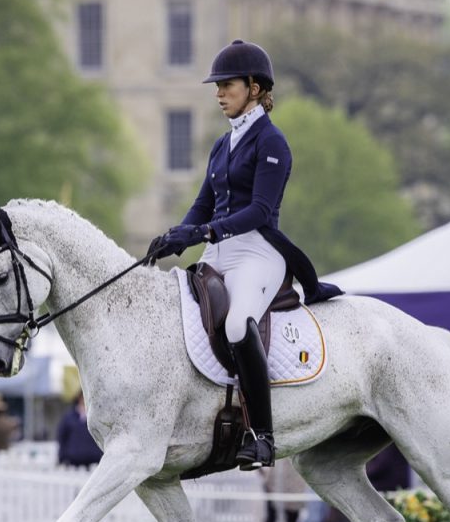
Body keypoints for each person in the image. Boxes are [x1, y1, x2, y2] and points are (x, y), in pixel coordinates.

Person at [147, 39, 343, 470]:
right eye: (217, 87)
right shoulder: (222, 146)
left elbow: (258, 211)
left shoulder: (271, 142)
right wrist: (176, 235)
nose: (219, 94)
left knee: (237, 323)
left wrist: (205, 230)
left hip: (259, 251)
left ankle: (263, 436)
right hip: (220, 249)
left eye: (227, 86)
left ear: (254, 88)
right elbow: (203, 203)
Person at [56, 391, 103, 468]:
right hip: (74, 463)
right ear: (78, 398)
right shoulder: (69, 417)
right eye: (83, 397)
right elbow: (62, 438)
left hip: (95, 462)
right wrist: (62, 457)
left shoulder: (98, 417)